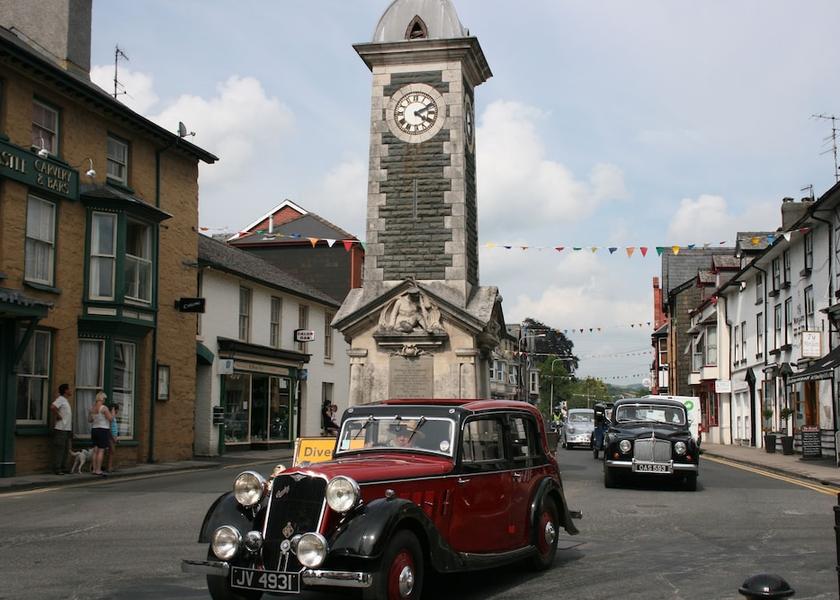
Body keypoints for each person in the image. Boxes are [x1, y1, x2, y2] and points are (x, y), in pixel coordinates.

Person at [50, 384, 72, 475]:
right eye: (69, 389)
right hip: (60, 428)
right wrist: (58, 416)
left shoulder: (65, 400)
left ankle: (64, 467)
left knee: (66, 449)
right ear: (65, 390)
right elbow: (52, 407)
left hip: (66, 429)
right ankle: (57, 468)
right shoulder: (60, 399)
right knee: (60, 449)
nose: (71, 391)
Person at [88, 391, 112, 476]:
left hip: (94, 429)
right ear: (102, 398)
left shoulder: (92, 408)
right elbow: (110, 419)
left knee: (95, 450)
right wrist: (112, 413)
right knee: (101, 450)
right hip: (103, 429)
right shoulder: (104, 408)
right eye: (104, 398)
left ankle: (94, 469)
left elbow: (89, 420)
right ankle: (98, 470)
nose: (105, 400)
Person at [106, 403, 120, 472]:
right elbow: (110, 428)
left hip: (114, 437)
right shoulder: (111, 418)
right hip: (110, 437)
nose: (117, 412)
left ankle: (110, 466)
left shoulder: (113, 417)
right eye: (116, 410)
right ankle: (109, 467)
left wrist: (116, 438)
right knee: (112, 451)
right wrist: (113, 438)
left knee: (111, 452)